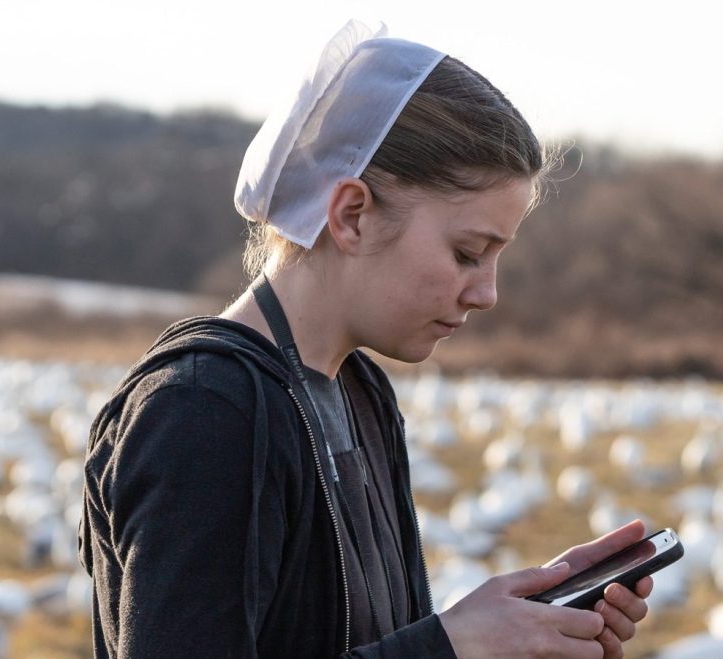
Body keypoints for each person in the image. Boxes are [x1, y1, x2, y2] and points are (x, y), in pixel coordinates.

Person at [79, 20, 654, 658]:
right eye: (467, 253)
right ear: (352, 215)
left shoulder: (359, 391)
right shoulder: (201, 411)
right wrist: (450, 647)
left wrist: (515, 634)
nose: (486, 293)